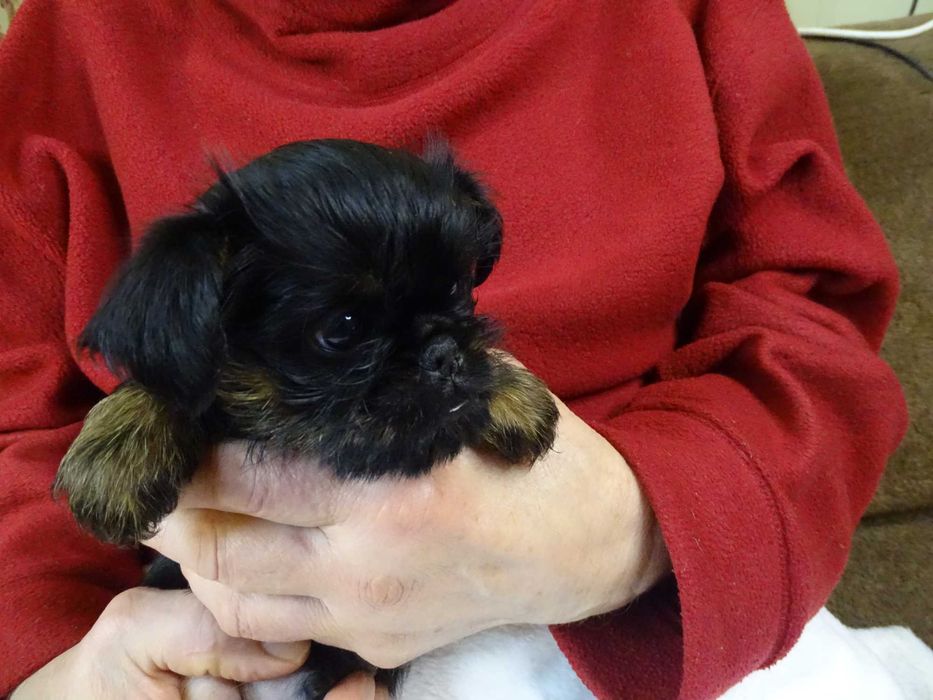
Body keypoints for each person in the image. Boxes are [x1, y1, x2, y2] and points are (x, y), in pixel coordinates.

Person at [0, 1, 908, 698]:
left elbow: (809, 311)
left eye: (455, 304)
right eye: (342, 332)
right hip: (194, 644)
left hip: (626, 628)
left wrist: (634, 527)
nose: (438, 354)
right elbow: (21, 410)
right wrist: (54, 668)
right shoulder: (75, 37)